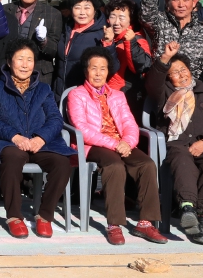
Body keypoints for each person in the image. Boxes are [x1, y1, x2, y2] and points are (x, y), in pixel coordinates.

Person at [67, 47, 166, 245]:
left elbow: (129, 122)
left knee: (146, 164)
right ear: (86, 71)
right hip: (94, 144)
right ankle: (114, 224)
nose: (98, 73)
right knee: (114, 166)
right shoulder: (77, 95)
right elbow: (82, 128)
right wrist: (115, 144)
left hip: (121, 143)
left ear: (108, 71)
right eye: (93, 68)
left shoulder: (117, 95)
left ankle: (145, 223)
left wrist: (127, 143)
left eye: (102, 69)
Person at [0, 40, 76, 239]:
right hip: (10, 142)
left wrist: (41, 138)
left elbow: (55, 119)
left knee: (61, 162)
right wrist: (14, 136)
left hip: (42, 143)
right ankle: (14, 216)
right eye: (20, 59)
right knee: (12, 158)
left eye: (29, 60)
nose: (25, 65)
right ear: (9, 62)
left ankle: (45, 216)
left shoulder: (43, 90)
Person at [145, 54, 203, 245]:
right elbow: (153, 81)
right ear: (168, 78)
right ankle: (187, 208)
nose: (181, 74)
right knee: (183, 163)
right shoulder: (164, 92)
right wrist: (165, 58)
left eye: (183, 69)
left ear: (190, 70)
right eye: (174, 72)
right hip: (178, 144)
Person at [0, 0, 63, 86]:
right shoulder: (4, 10)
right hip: (7, 73)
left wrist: (43, 40)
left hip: (39, 75)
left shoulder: (53, 14)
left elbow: (55, 50)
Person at [142, 0, 203, 80]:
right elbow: (146, 15)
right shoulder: (160, 22)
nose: (181, 5)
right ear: (167, 2)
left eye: (186, 0)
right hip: (162, 85)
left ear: (193, 2)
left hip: (192, 87)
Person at [101, 0, 154, 121]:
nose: (116, 22)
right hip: (108, 95)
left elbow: (142, 66)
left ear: (131, 20)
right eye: (113, 16)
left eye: (122, 18)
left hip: (126, 97)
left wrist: (130, 42)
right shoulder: (109, 37)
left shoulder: (138, 39)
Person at [53, 0, 114, 96]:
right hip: (59, 92)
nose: (82, 12)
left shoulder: (102, 33)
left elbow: (113, 67)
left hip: (85, 96)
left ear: (95, 10)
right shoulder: (65, 30)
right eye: (77, 7)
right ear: (71, 10)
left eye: (87, 7)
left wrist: (108, 43)